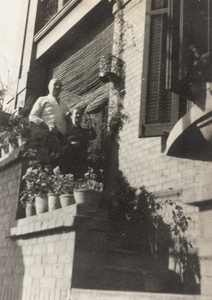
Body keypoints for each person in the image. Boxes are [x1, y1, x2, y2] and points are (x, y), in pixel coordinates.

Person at [29, 78, 69, 150]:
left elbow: (68, 125)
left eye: (60, 85)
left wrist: (69, 119)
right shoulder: (43, 99)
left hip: (62, 141)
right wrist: (47, 125)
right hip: (47, 137)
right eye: (55, 84)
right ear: (49, 87)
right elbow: (32, 116)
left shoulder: (65, 106)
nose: (58, 87)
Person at [62, 108, 97, 179]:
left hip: (81, 162)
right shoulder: (66, 128)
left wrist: (90, 127)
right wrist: (70, 143)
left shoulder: (83, 131)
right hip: (69, 161)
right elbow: (62, 141)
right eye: (76, 113)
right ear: (71, 116)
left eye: (80, 114)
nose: (78, 115)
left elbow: (93, 136)